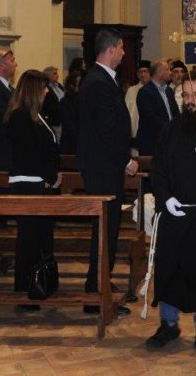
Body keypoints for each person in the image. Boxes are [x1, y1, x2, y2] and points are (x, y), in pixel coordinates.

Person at [145, 70, 196, 351]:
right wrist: (165, 197)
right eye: (186, 95)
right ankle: (168, 324)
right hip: (174, 213)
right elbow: (158, 169)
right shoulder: (169, 129)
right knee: (169, 270)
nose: (190, 101)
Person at [76, 28, 137, 315]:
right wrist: (126, 159)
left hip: (105, 166)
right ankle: (96, 292)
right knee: (104, 231)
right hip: (103, 168)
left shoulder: (101, 79)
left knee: (108, 230)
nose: (124, 53)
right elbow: (107, 128)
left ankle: (101, 283)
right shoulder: (98, 82)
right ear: (110, 49)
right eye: (121, 48)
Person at [4, 69, 61, 311]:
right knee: (28, 238)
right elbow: (27, 155)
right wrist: (50, 176)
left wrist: (50, 175)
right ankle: (24, 290)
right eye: (44, 87)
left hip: (39, 182)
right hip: (27, 183)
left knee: (41, 236)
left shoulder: (36, 114)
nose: (47, 91)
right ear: (33, 90)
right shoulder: (20, 116)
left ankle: (41, 284)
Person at [133, 59, 180, 159]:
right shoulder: (145, 92)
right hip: (152, 142)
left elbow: (176, 113)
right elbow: (150, 118)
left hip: (169, 140)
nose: (170, 72)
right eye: (167, 69)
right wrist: (169, 128)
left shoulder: (169, 91)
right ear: (159, 72)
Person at [125, 60, 152, 138]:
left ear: (151, 73)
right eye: (140, 72)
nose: (143, 74)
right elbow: (127, 112)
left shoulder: (156, 89)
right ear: (137, 74)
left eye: (145, 71)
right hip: (135, 132)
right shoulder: (131, 90)